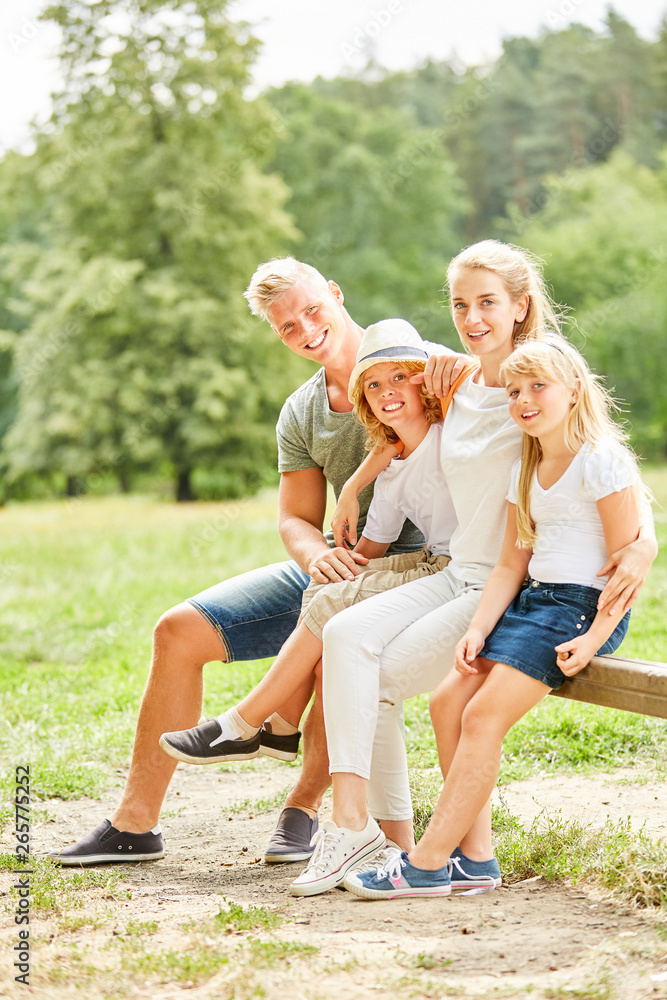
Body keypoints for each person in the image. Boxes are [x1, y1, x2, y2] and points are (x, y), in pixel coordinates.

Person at [47, 258, 461, 867]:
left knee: (338, 642)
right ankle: (134, 825)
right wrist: (318, 555)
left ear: (336, 293)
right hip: (344, 562)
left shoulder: (421, 363)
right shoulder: (301, 412)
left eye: (312, 310)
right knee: (178, 630)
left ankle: (303, 807)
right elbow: (295, 518)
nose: (306, 330)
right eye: (287, 326)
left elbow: (503, 395)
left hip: (426, 569)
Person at [285, 240, 657, 898]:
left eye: (487, 302)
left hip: (523, 590)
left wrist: (645, 541)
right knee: (346, 640)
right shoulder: (451, 379)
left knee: (390, 680)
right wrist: (355, 486)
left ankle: (409, 850)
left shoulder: (542, 382)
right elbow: (395, 417)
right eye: (459, 304)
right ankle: (371, 835)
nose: (471, 317)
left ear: (521, 307)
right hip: (465, 571)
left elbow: (599, 454)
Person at [345, 336, 649, 899]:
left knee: (482, 716)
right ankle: (478, 859)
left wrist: (594, 639)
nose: (524, 400)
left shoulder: (600, 460)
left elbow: (624, 571)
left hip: (580, 611)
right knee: (447, 702)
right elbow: (511, 563)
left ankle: (427, 863)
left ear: (574, 390)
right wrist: (478, 628)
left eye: (538, 387)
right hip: (532, 603)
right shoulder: (527, 466)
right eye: (513, 391)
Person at [159, 320, 475, 861]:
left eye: (400, 378)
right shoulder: (387, 473)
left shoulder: (455, 435)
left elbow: (490, 391)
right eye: (373, 386)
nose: (387, 392)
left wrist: (354, 482)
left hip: (458, 572)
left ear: (425, 382)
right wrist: (342, 545)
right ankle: (269, 726)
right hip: (428, 564)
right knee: (332, 584)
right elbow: (367, 550)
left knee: (340, 614)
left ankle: (248, 722)